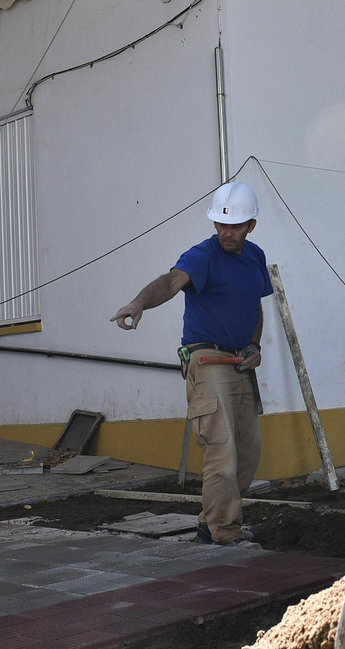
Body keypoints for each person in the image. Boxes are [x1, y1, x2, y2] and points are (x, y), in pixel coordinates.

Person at [111, 181, 272, 546]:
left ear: (251, 226)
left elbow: (255, 306)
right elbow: (171, 282)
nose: (227, 232)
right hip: (207, 359)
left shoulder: (255, 256)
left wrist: (253, 344)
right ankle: (224, 535)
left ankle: (209, 523)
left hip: (240, 362)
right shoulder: (202, 256)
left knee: (248, 454)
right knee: (222, 453)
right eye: (221, 224)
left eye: (235, 226)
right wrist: (139, 303)